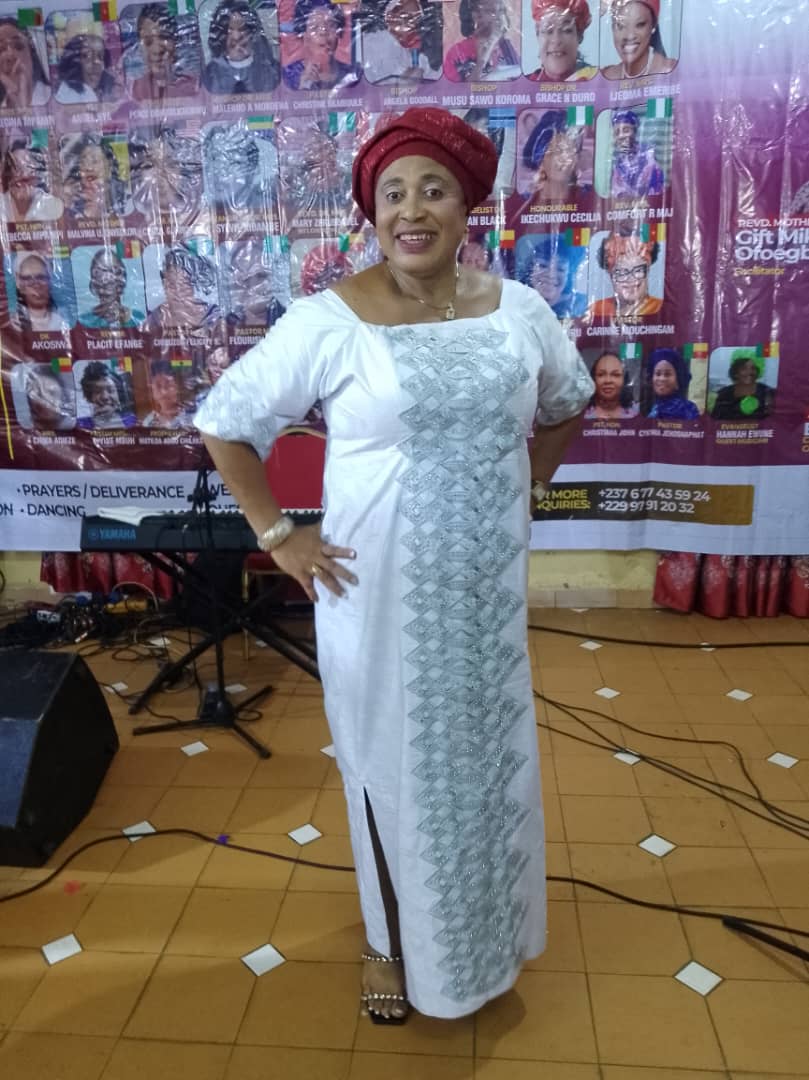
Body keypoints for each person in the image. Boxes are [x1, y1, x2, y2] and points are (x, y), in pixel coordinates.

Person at [194, 107, 593, 1024]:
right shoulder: (329, 321)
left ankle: (481, 935)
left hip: (483, 595)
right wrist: (277, 534)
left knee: (484, 761)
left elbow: (567, 399)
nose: (411, 210)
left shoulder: (519, 311)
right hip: (373, 597)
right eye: (392, 194)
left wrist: (523, 484)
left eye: (433, 190)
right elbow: (225, 422)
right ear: (372, 213)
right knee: (386, 764)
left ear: (467, 206)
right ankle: (387, 940)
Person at [129, 125, 204, 225]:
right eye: (149, 166)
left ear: (181, 169)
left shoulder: (194, 210)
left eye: (170, 165)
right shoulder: (137, 212)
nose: (160, 174)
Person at [202, 0, 280, 94]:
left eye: (242, 29)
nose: (236, 37)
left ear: (254, 33)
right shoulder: (209, 76)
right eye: (229, 31)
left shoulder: (273, 72)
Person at [144, 244, 221, 336]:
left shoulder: (213, 316)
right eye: (170, 284)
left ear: (195, 286)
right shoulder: (154, 320)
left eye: (183, 285)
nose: (176, 293)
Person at [282, 0, 360, 90]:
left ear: (339, 32)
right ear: (303, 35)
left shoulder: (354, 74)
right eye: (315, 27)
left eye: (331, 25)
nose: (323, 33)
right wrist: (302, 90)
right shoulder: (287, 76)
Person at [362, 0, 442, 83]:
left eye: (416, 20)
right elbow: (377, 82)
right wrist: (406, 77)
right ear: (390, 18)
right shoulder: (372, 42)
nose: (412, 25)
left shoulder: (416, 56)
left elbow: (433, 80)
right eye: (408, 18)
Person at [130, 4, 198, 101]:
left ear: (176, 41)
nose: (157, 49)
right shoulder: (134, 90)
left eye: (164, 37)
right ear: (139, 47)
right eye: (148, 41)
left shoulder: (195, 87)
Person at [589, 230, 662, 319]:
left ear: (647, 269)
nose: (631, 279)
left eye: (638, 270)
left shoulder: (660, 308)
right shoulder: (596, 310)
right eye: (622, 272)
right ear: (610, 273)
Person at [521, 110, 589, 203]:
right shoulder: (525, 202)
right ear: (541, 160)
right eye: (556, 151)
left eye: (569, 151)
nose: (562, 159)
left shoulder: (589, 197)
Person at [443, 0, 520, 82]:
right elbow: (454, 89)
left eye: (501, 10)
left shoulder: (508, 48)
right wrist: (481, 61)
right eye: (491, 11)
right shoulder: (457, 53)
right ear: (476, 15)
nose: (499, 17)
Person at [601, 0, 675, 80]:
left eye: (640, 25)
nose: (629, 36)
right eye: (620, 26)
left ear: (653, 26)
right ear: (612, 28)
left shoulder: (672, 72)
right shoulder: (605, 77)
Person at [516, 233, 586, 317]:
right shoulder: (516, 302)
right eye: (543, 265)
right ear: (530, 269)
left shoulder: (581, 304)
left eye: (560, 269)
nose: (551, 275)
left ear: (568, 275)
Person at [63, 134, 129, 219]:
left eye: (94, 161)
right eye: (83, 162)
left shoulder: (126, 199)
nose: (88, 167)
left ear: (109, 165)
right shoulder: (75, 199)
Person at [526, 0, 596, 81]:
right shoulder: (523, 84)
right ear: (537, 34)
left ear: (580, 36)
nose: (556, 40)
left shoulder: (597, 80)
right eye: (548, 30)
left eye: (566, 30)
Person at [226, 239, 287, 327]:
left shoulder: (290, 319)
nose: (252, 285)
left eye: (261, 276)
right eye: (244, 279)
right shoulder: (226, 326)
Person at [79, 249, 145, 329]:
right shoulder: (84, 322)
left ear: (122, 277)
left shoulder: (138, 319)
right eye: (99, 272)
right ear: (93, 280)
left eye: (114, 270)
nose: (107, 278)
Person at [0, 139, 62, 222]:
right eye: (15, 166)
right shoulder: (2, 204)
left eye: (28, 165)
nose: (22, 173)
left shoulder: (50, 204)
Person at [610, 109, 664, 198]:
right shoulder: (618, 162)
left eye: (626, 130)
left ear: (634, 132)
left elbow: (655, 188)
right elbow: (616, 192)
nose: (621, 136)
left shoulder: (648, 154)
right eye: (617, 132)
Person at [10, 253, 70, 333]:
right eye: (28, 279)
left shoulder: (62, 322)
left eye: (41, 277)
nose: (36, 285)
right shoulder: (13, 324)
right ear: (19, 285)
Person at [54, 31, 121, 103]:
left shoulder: (105, 89)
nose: (96, 63)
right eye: (86, 56)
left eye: (100, 56)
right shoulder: (78, 95)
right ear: (72, 63)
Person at [710, 350, 774, 420]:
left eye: (753, 368)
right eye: (744, 368)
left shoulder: (767, 392)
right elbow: (715, 420)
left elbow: (774, 420)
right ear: (736, 373)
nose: (750, 372)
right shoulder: (723, 394)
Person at [0, 18, 50, 108]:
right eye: (1, 49)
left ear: (32, 56)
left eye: (18, 46)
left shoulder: (58, 98)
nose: (10, 54)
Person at [77, 361, 136, 428]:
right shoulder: (80, 425)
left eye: (110, 390)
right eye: (97, 391)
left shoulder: (132, 420)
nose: (105, 397)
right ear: (90, 397)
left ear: (119, 394)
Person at [646, 347, 699, 419]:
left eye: (667, 374)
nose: (662, 379)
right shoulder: (651, 406)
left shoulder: (688, 409)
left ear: (678, 380)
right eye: (658, 374)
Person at [584, 350, 638, 418]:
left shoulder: (636, 411)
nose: (608, 380)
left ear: (624, 380)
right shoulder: (581, 412)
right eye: (601, 374)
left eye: (615, 375)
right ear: (593, 379)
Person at [142, 358, 195, 427]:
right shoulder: (148, 423)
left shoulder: (193, 417)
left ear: (178, 386)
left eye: (168, 384)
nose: (164, 391)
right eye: (158, 386)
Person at [21, 365, 74, 430]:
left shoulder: (73, 428)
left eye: (52, 393)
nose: (46, 401)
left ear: (63, 397)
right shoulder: (25, 429)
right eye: (38, 394)